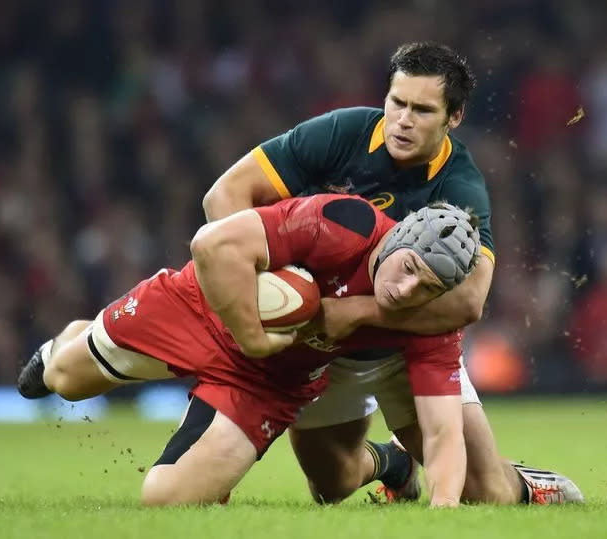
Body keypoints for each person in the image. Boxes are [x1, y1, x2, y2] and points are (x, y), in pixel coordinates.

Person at [202, 41, 583, 504]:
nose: (403, 120)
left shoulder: (460, 187)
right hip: (325, 343)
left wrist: (357, 311)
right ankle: (393, 462)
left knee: (487, 493)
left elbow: (470, 301)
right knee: (333, 485)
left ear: (454, 118)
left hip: (411, 345)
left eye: (422, 110)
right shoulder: (342, 133)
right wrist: (270, 289)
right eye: (397, 102)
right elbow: (224, 197)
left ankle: (532, 485)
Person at [18, 193, 481, 507]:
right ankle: (77, 334)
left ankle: (389, 460)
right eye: (409, 268)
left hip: (265, 383)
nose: (406, 290)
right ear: (398, 237)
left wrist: (442, 516)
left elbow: (443, 435)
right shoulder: (344, 222)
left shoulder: (432, 323)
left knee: (164, 500)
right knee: (63, 378)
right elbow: (211, 243)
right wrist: (253, 338)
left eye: (428, 287)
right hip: (196, 307)